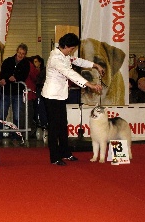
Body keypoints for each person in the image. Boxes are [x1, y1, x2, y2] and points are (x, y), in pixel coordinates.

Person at [41, 33, 104, 166]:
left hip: (61, 95)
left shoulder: (64, 55)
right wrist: (90, 85)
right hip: (51, 95)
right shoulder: (55, 58)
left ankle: (65, 152)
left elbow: (78, 61)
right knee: (54, 127)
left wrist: (95, 65)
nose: (72, 51)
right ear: (65, 46)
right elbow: (70, 73)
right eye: (71, 48)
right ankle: (54, 157)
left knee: (63, 124)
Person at [0, 43, 30, 143]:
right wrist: (6, 78)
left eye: (23, 54)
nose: (20, 55)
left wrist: (16, 78)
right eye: (19, 53)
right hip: (6, 92)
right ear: (16, 51)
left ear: (25, 54)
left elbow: (24, 76)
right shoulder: (8, 61)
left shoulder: (26, 64)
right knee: (2, 114)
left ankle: (15, 136)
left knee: (17, 116)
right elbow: (2, 73)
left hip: (18, 93)